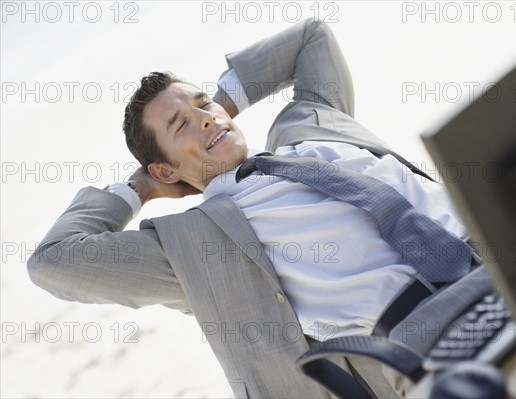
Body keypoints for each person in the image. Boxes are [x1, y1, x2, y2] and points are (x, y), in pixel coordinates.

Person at [28, 19, 471, 398]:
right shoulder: (201, 244)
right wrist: (137, 191)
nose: (205, 117)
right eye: (180, 124)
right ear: (165, 170)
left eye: (203, 104)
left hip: (501, 257)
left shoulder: (310, 129)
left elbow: (310, 38)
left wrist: (219, 106)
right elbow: (53, 263)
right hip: (427, 344)